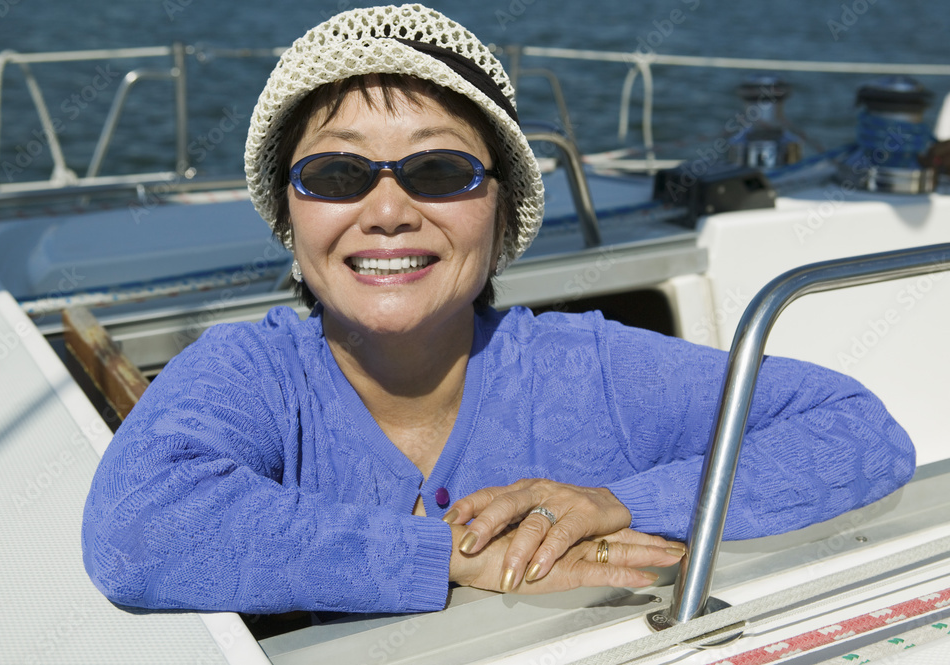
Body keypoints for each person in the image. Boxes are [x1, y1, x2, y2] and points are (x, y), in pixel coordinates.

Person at [81, 4, 915, 615]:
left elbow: (857, 429)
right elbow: (135, 529)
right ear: (290, 216)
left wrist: (622, 502)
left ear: (500, 211)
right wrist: (447, 552)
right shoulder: (246, 373)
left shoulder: (587, 369)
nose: (386, 211)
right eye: (337, 176)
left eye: (439, 173)